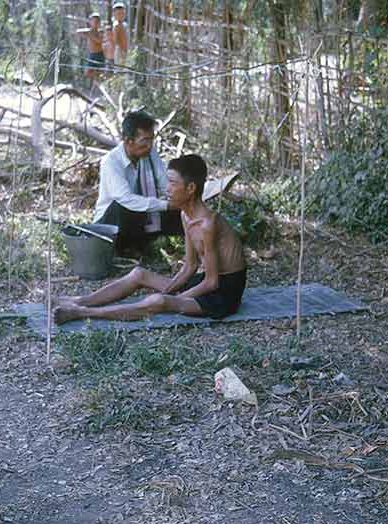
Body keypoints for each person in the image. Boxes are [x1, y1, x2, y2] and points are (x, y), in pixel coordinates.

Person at [56, 154, 247, 324]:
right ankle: (81, 301)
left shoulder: (207, 224)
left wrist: (173, 299)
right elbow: (190, 266)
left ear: (190, 188)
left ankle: (82, 313)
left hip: (224, 293)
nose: (167, 188)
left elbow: (212, 282)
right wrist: (171, 290)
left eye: (172, 183)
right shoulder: (185, 215)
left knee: (159, 301)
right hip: (205, 281)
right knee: (139, 274)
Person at [94, 110, 184, 256]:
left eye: (151, 140)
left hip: (139, 216)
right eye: (145, 141)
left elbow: (163, 182)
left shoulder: (149, 152)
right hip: (112, 221)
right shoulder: (111, 162)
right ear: (128, 141)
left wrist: (177, 198)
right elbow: (126, 199)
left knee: (179, 206)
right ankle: (125, 250)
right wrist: (166, 204)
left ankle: (192, 245)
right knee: (125, 205)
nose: (149, 145)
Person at [77, 12, 105, 82]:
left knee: (100, 71)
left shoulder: (100, 32)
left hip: (99, 54)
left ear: (99, 22)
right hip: (92, 54)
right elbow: (78, 31)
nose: (95, 23)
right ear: (90, 22)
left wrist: (89, 35)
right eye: (93, 21)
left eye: (97, 21)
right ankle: (96, 79)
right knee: (88, 72)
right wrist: (87, 32)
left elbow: (99, 41)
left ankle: (100, 77)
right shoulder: (89, 31)